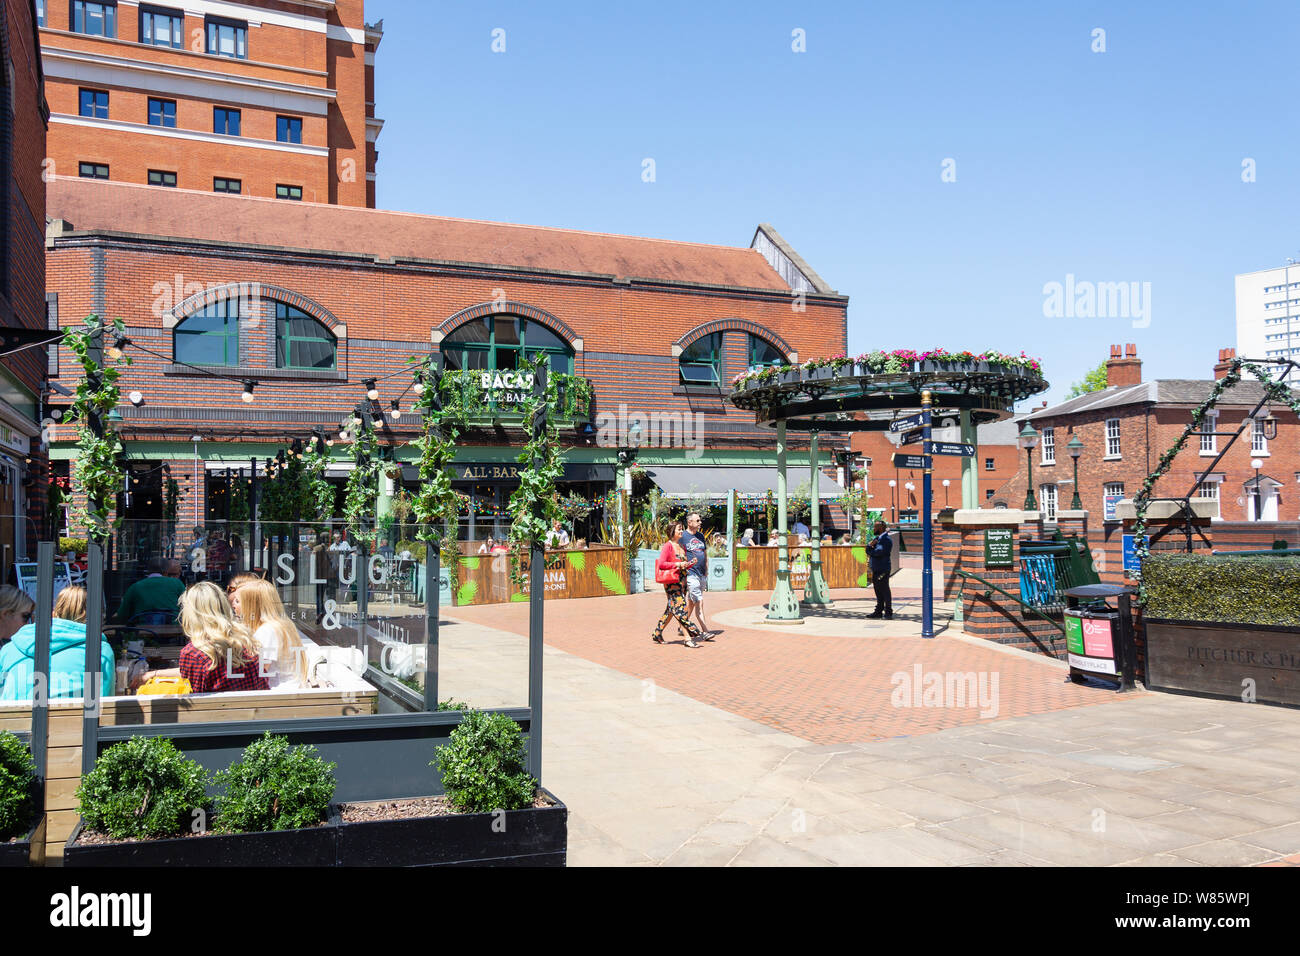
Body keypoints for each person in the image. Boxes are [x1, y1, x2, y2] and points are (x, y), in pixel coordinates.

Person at [0, 585, 115, 700]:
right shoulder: (100, 650)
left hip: (18, 717)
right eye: (26, 616)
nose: (29, 622)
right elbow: (103, 703)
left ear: (55, 612)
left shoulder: (10, 650)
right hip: (75, 718)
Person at [151, 581, 268, 694]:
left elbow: (195, 701)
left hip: (220, 713)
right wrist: (155, 674)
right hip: (259, 711)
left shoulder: (194, 653)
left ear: (190, 613)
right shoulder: (247, 640)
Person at [236, 579, 307, 689]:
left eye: (237, 601)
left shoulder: (267, 631)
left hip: (277, 696)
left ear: (251, 605)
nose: (233, 605)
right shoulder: (281, 625)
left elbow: (259, 673)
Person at [651, 520, 704, 648]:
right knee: (681, 608)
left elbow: (683, 565)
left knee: (671, 609)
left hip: (682, 581)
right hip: (672, 582)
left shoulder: (681, 546)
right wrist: (677, 564)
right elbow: (662, 564)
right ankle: (688, 636)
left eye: (681, 529)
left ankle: (657, 633)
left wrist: (690, 563)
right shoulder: (668, 546)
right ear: (672, 531)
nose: (681, 531)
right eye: (679, 529)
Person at [114, 556, 185, 626]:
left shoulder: (135, 587)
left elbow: (122, 615)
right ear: (167, 571)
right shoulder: (177, 583)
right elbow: (187, 607)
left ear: (148, 570)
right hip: (173, 631)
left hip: (143, 632)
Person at [680, 512, 715, 640]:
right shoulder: (682, 536)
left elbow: (704, 553)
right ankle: (705, 631)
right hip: (691, 574)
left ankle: (682, 624)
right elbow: (677, 551)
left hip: (701, 574)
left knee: (692, 601)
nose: (700, 523)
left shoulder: (700, 536)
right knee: (699, 602)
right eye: (698, 520)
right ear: (690, 523)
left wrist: (706, 569)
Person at [866, 520, 893, 620]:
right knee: (878, 591)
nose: (873, 528)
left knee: (884, 590)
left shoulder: (885, 539)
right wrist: (871, 547)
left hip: (882, 569)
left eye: (875, 527)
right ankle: (878, 611)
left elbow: (878, 552)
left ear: (880, 528)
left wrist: (869, 547)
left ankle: (888, 612)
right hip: (877, 569)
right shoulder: (878, 539)